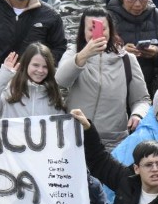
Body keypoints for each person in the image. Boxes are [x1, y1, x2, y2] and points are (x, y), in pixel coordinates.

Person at [56, 9, 150, 149]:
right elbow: (60, 80)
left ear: (110, 30)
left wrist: (137, 115)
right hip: (76, 135)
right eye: (91, 29)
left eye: (102, 28)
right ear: (83, 31)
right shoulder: (74, 52)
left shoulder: (126, 59)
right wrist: (84, 55)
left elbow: (142, 99)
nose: (97, 34)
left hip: (114, 139)